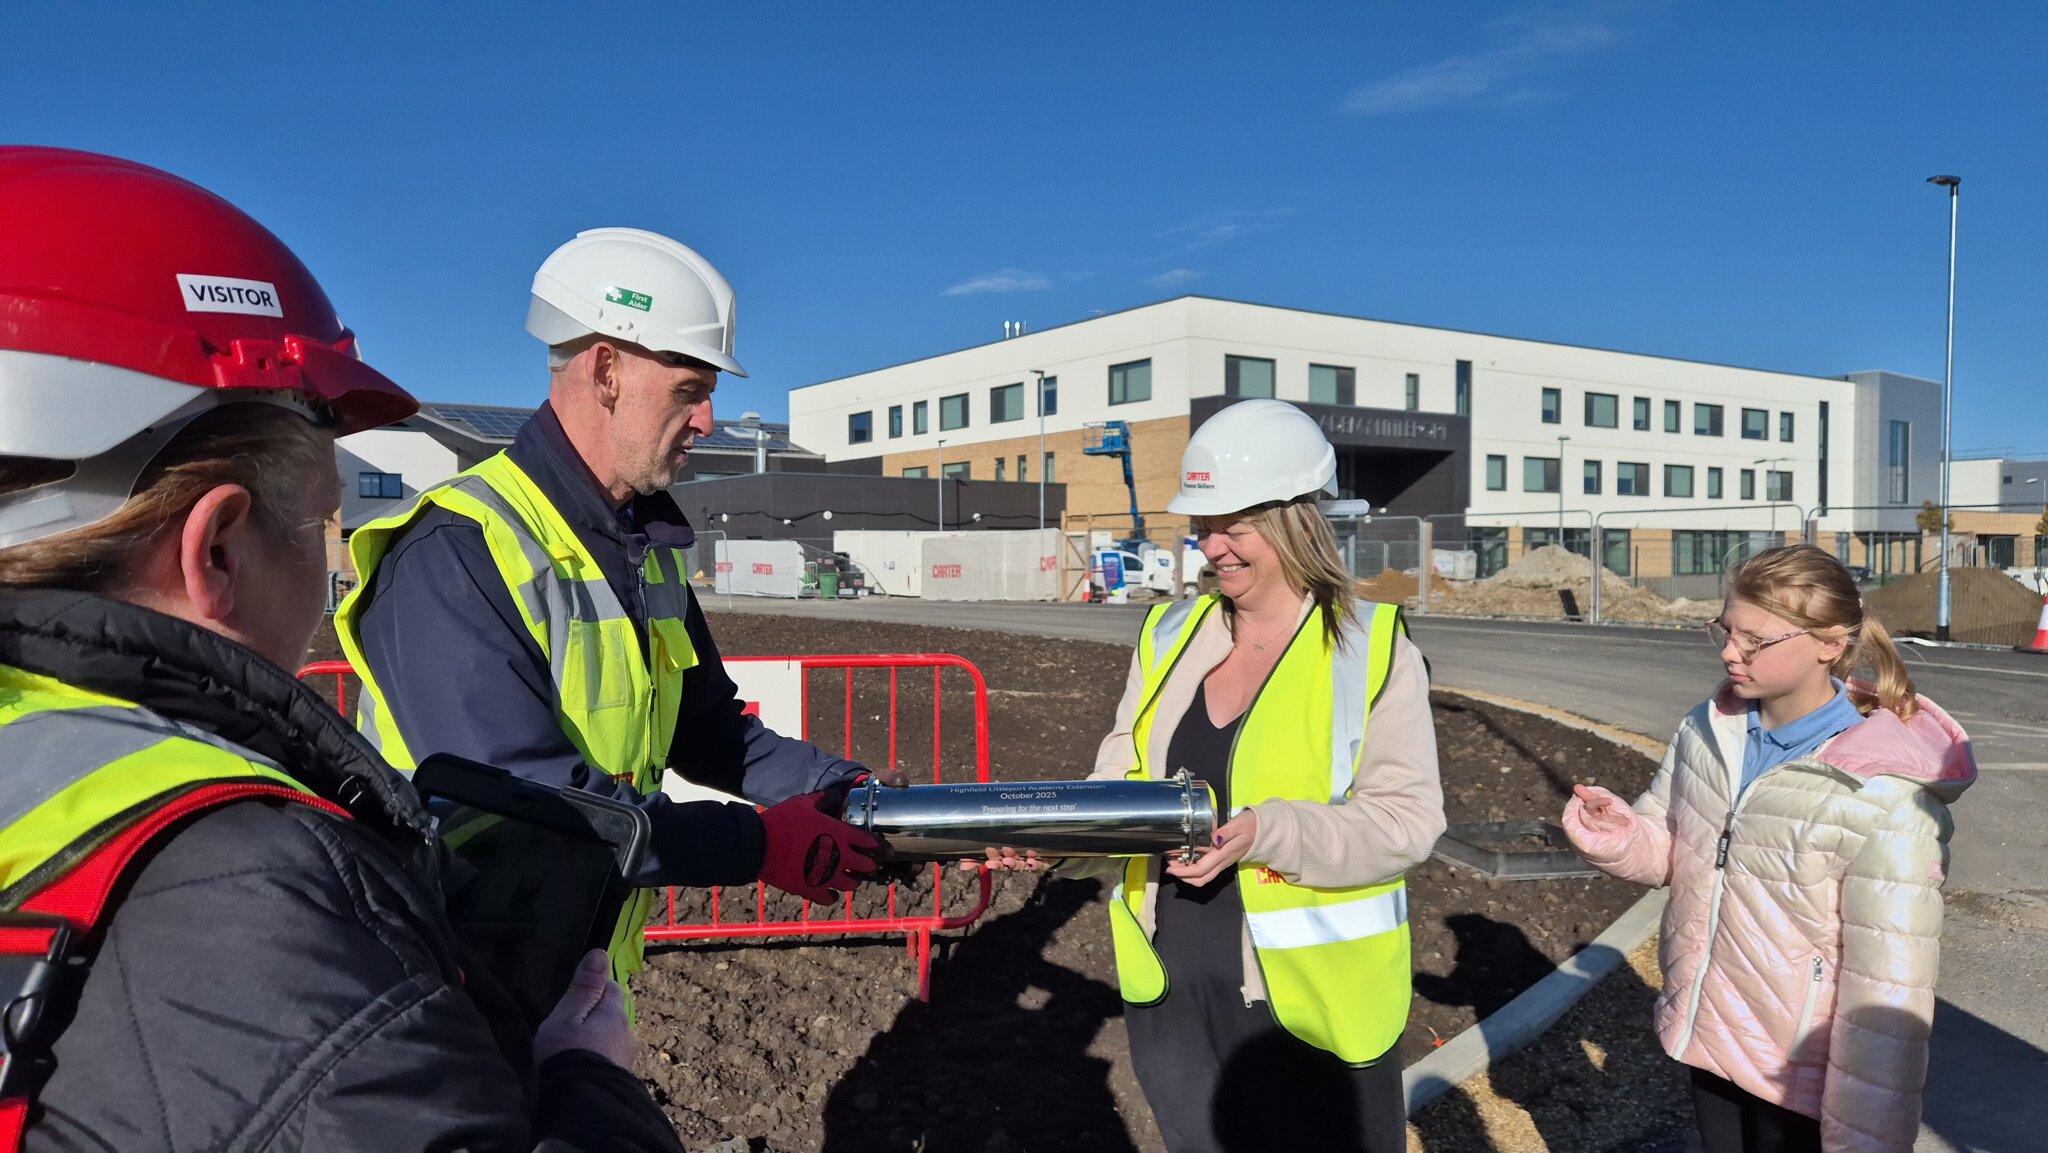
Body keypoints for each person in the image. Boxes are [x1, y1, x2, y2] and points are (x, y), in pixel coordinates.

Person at [0, 146, 679, 1150]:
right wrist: (589, 1086)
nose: (332, 567)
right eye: (322, 527)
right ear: (218, 549)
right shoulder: (246, 898)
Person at [334, 227, 889, 995]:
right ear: (605, 370)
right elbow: (524, 799)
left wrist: (853, 788)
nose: (707, 423)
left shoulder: (646, 544)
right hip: (446, 990)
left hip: (577, 974)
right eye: (690, 391)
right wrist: (756, 844)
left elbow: (713, 733)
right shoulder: (455, 546)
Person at [990, 400, 1445, 1153]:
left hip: (1310, 1010)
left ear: (1297, 518)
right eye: (1204, 524)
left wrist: (1268, 831)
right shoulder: (1170, 637)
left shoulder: (1371, 649)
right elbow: (1123, 793)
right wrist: (1050, 841)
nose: (1213, 546)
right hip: (1173, 995)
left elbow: (1407, 821)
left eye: (1235, 523)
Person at [1564, 544, 1974, 1153]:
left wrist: (1867, 1135)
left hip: (1799, 1070)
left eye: (1756, 640)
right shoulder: (1708, 730)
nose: (1731, 652)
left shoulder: (1883, 794)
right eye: (1726, 631)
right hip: (1709, 1030)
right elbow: (1675, 848)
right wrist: (1618, 833)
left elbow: (1888, 988)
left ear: (1830, 644)